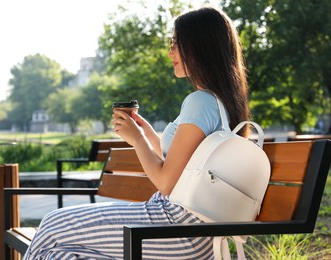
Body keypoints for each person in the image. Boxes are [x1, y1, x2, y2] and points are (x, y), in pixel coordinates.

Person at [24, 5, 249, 259]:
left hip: (177, 227)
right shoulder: (219, 103)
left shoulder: (200, 101)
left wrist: (137, 140)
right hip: (193, 232)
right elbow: (185, 165)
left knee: (52, 226)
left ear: (198, 46)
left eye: (176, 43)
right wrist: (149, 134)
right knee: (57, 255)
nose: (169, 52)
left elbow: (166, 183)